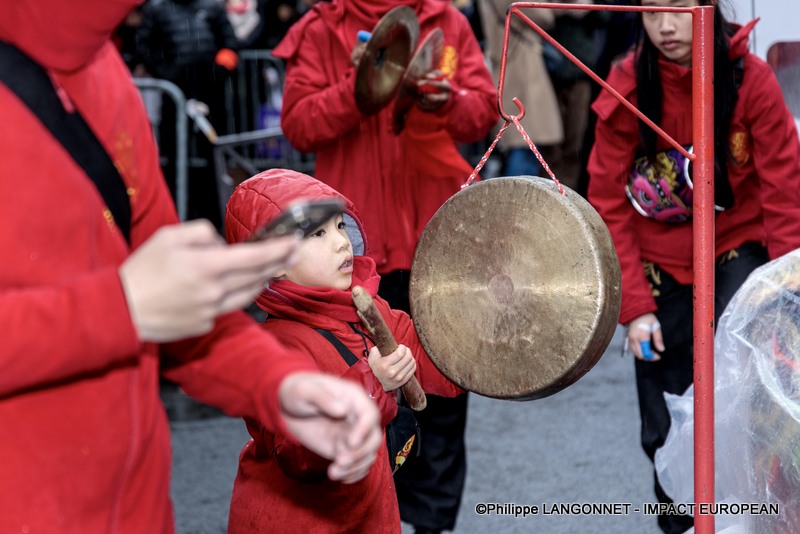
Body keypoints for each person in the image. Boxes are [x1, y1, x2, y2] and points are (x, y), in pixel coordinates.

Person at [0, 1, 383, 531]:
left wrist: (279, 386)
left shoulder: (103, 65)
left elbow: (172, 303)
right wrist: (121, 309)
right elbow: (141, 303)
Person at [272, 2, 497, 532]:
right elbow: (300, 124)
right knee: (357, 384)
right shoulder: (320, 27)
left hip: (437, 243)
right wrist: (361, 84)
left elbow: (483, 111)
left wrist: (445, 100)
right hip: (349, 249)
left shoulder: (449, 20)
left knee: (443, 389)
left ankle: (433, 521)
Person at [586, 0, 800, 532]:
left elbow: (784, 195)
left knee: (754, 404)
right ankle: (679, 524)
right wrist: (632, 307)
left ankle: (754, 519)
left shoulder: (751, 78)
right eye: (652, 11)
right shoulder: (626, 81)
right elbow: (605, 201)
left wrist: (787, 297)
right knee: (661, 417)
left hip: (736, 247)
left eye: (679, 9)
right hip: (657, 263)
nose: (664, 26)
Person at [224, 168, 465, 533]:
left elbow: (436, 355)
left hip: (366, 513)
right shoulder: (274, 349)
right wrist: (371, 384)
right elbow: (300, 451)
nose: (341, 242)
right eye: (318, 233)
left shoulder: (369, 309)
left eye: (339, 226)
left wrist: (480, 321)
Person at [136, 0, 240, 229]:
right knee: (175, 156)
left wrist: (217, 72)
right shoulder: (158, 9)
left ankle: (218, 215)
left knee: (213, 154)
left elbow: (230, 45)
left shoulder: (212, 6)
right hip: (174, 93)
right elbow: (143, 46)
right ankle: (176, 214)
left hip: (210, 94)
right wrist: (166, 73)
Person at [479, 0, 564, 179]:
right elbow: (543, 15)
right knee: (524, 144)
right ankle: (516, 203)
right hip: (520, 68)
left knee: (519, 143)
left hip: (508, 62)